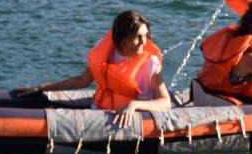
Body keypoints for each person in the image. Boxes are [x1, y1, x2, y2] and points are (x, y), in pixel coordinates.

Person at [14, 9, 173, 127]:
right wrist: (41, 87)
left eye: (146, 35)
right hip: (99, 111)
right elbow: (82, 80)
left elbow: (165, 102)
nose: (144, 42)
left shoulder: (150, 63)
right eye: (138, 37)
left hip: (133, 120)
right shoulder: (105, 51)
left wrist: (134, 105)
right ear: (124, 37)